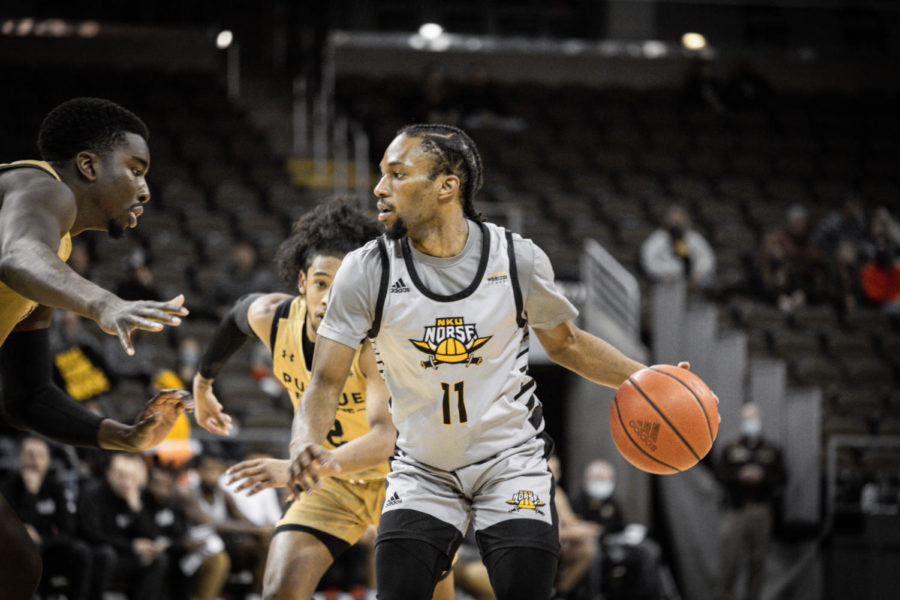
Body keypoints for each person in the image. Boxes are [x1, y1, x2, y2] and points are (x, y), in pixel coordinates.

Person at [286, 124, 694, 600]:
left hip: (510, 461)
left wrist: (644, 377)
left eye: (397, 174)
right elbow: (325, 381)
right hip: (423, 466)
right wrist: (303, 442)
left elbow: (567, 344)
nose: (379, 188)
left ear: (446, 185)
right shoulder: (366, 269)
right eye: (382, 174)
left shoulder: (515, 259)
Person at [192, 198, 455, 599]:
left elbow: (387, 439)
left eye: (344, 285)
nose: (330, 299)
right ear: (301, 282)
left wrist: (297, 469)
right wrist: (203, 383)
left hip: (407, 478)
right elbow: (235, 317)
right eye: (320, 283)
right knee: (280, 589)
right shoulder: (274, 318)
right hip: (335, 481)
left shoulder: (382, 340)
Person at [0, 97, 192, 598]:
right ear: (88, 165)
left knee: (16, 566)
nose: (146, 189)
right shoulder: (40, 185)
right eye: (135, 169)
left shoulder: (52, 260)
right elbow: (18, 255)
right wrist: (104, 304)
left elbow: (28, 397)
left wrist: (124, 438)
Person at [0, 436, 94, 600]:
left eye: (41, 456)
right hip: (18, 554)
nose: (35, 462)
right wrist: (31, 494)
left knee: (81, 551)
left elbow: (68, 530)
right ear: (21, 457)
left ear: (48, 460)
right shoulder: (8, 486)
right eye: (30, 455)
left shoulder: (55, 487)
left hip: (49, 547)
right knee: (30, 546)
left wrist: (44, 539)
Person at [713, 402, 786, 600]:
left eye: (753, 418)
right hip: (736, 509)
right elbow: (720, 474)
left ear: (760, 421)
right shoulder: (730, 448)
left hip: (761, 509)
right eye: (747, 419)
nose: (750, 423)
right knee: (729, 560)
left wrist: (762, 475)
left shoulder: (772, 449)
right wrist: (740, 475)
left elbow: (782, 477)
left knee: (758, 561)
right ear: (741, 421)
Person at [78, 452, 171, 600]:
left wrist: (136, 509)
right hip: (101, 556)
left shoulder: (139, 496)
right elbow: (91, 534)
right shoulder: (93, 494)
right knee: (106, 555)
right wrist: (131, 546)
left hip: (126, 558)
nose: (126, 482)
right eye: (121, 475)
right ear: (109, 473)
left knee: (159, 560)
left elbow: (153, 536)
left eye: (131, 477)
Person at [640, 204, 716, 292]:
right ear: (667, 221)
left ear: (685, 220)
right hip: (664, 281)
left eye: (679, 220)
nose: (676, 223)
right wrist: (661, 273)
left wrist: (700, 271)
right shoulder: (658, 238)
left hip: (692, 281)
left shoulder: (693, 237)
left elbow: (707, 257)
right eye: (673, 220)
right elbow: (648, 259)